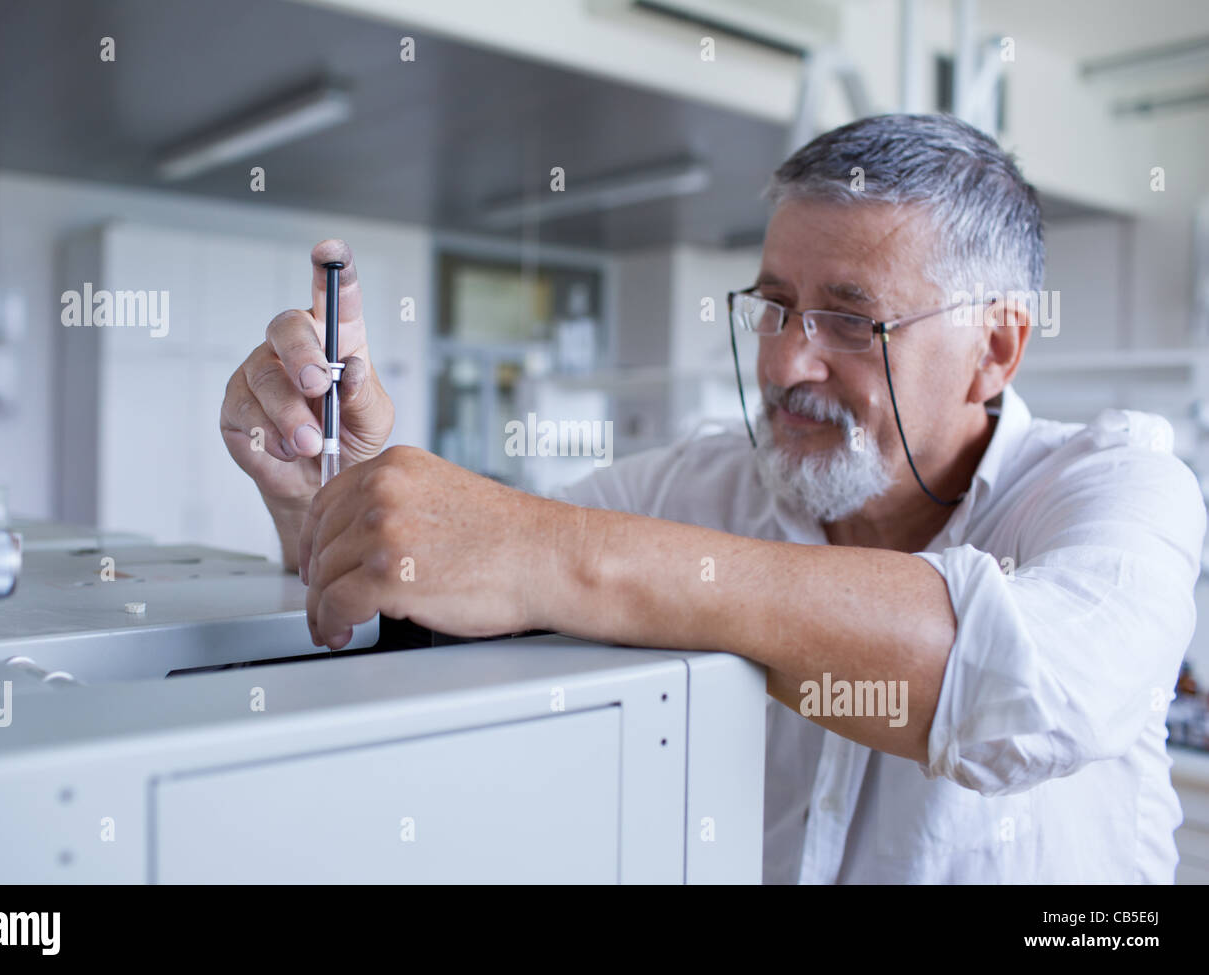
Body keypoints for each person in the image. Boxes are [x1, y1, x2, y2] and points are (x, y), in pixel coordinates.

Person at [219, 113, 1205, 883]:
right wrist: (327, 500)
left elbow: (1021, 692)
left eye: (850, 322)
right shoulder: (693, 486)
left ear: (996, 349)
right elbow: (445, 591)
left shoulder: (1120, 486)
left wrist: (562, 555)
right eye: (772, 306)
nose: (783, 360)